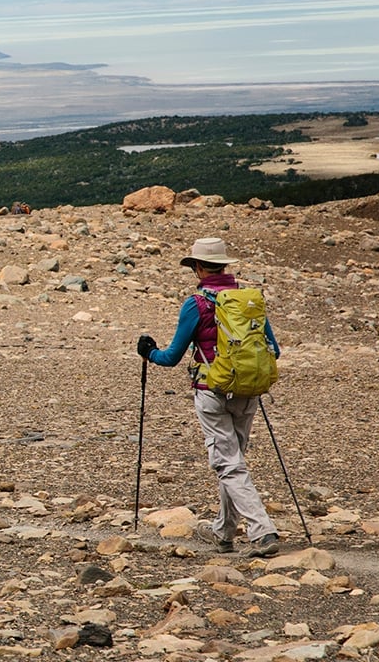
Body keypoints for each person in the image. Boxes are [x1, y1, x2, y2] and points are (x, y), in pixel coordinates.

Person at [137, 237, 282, 559]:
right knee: (234, 462)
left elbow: (171, 356)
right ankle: (224, 532)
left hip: (211, 391)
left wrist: (149, 352)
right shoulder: (248, 300)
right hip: (249, 390)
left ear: (200, 267)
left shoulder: (197, 303)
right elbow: (274, 349)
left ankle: (263, 532)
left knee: (227, 464)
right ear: (225, 265)